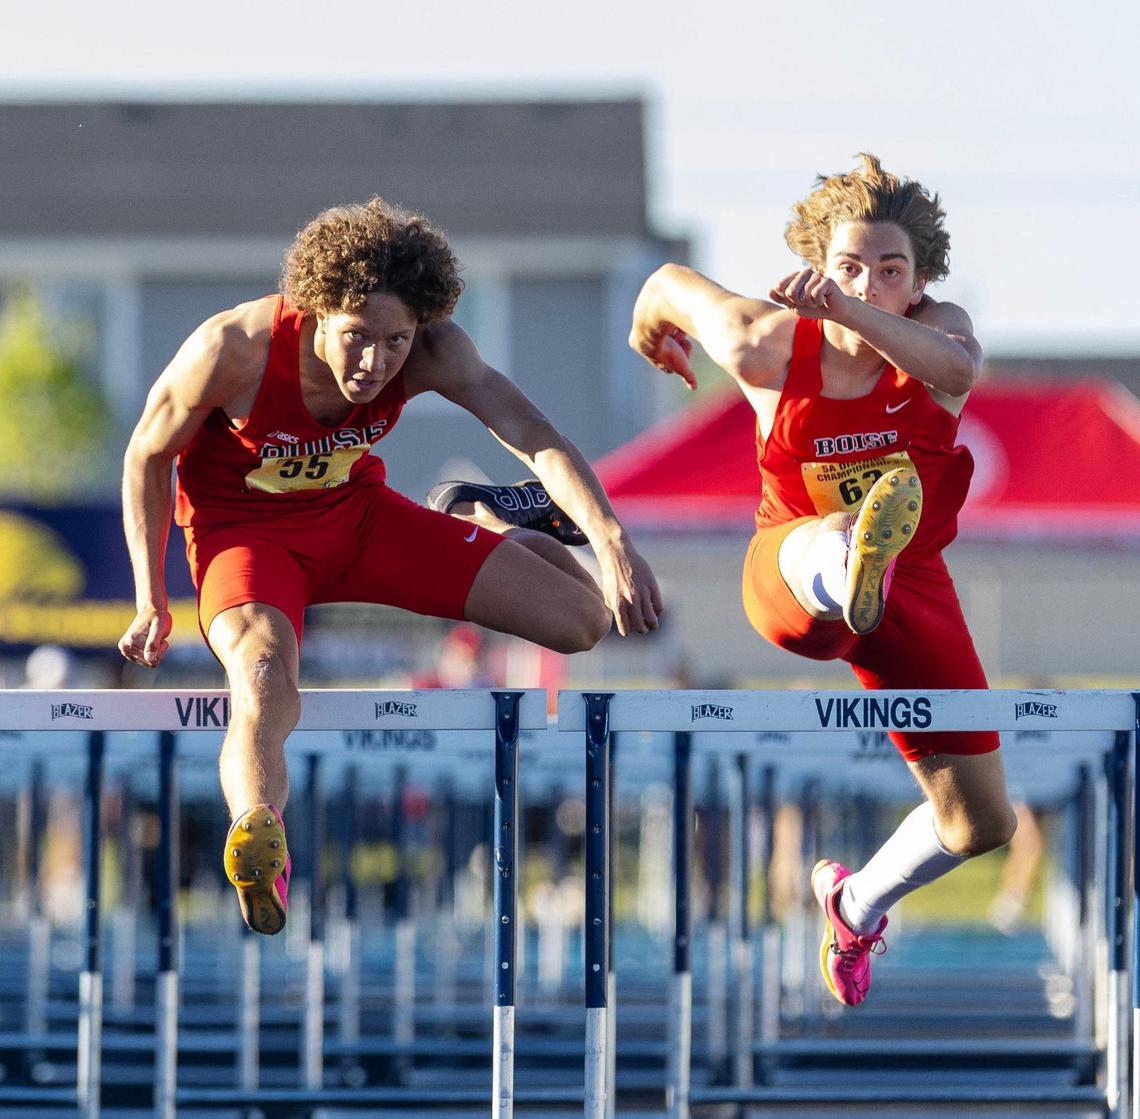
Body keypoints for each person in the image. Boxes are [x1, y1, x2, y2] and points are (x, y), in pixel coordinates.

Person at [118, 196, 661, 936]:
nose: (374, 363)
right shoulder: (233, 349)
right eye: (356, 338)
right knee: (264, 669)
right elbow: (147, 456)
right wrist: (151, 596)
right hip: (247, 540)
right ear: (312, 309)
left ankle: (479, 514)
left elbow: (532, 431)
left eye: (395, 342)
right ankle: (259, 835)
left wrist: (610, 539)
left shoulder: (436, 348)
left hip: (361, 522)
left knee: (583, 622)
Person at [628, 154, 1016, 1007]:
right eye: (847, 267)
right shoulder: (764, 341)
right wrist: (649, 327)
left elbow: (955, 373)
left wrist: (852, 311)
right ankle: (848, 563)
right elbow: (663, 279)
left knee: (982, 822)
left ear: (919, 282)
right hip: (790, 568)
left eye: (890, 271)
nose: (869, 284)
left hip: (910, 583)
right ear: (815, 263)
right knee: (837, 541)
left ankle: (855, 902)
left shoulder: (938, 334)